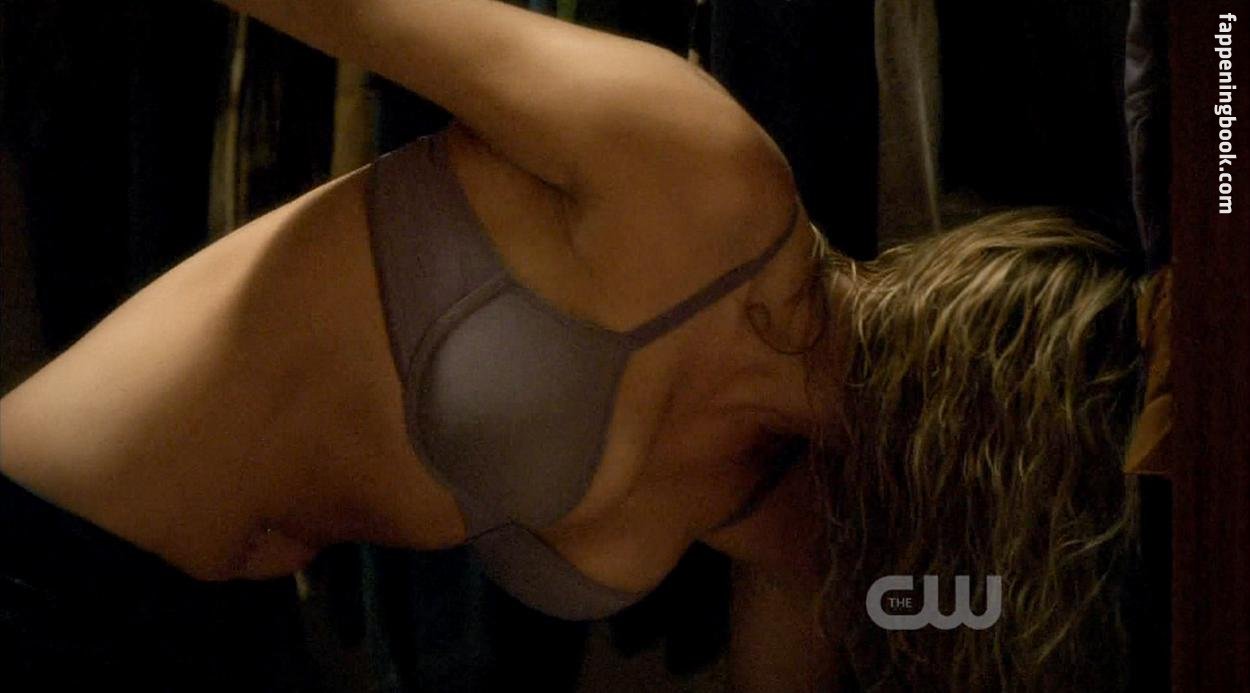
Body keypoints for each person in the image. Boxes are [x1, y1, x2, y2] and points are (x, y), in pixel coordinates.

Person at [0, 1, 1145, 691]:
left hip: (223, 629)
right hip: (55, 540)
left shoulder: (792, 495)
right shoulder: (700, 174)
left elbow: (931, 612)